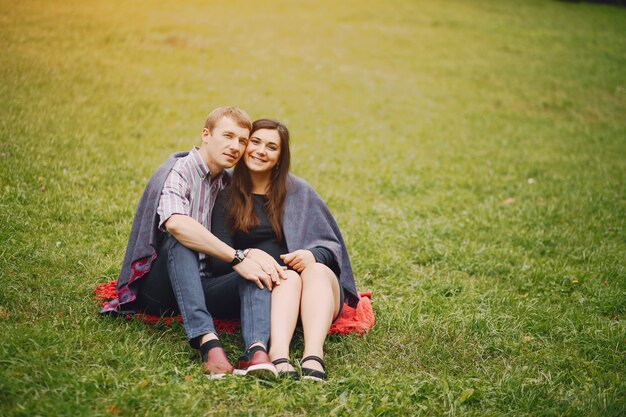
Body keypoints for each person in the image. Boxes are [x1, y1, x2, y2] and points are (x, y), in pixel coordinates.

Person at [101, 107, 287, 379]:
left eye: (242, 141)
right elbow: (176, 224)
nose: (235, 146)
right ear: (206, 134)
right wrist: (238, 258)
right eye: (228, 136)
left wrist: (250, 257)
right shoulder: (179, 171)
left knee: (254, 272)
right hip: (161, 290)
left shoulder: (227, 182)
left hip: (205, 283)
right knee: (182, 237)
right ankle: (208, 343)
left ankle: (256, 352)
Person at [209, 119, 360, 381]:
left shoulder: (298, 191)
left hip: (315, 295)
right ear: (244, 147)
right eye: (254, 142)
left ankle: (314, 355)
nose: (260, 151)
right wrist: (251, 257)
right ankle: (280, 355)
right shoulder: (226, 194)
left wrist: (311, 255)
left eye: (271, 147)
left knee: (317, 270)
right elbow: (220, 257)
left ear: (280, 157)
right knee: (287, 277)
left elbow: (330, 245)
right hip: (271, 290)